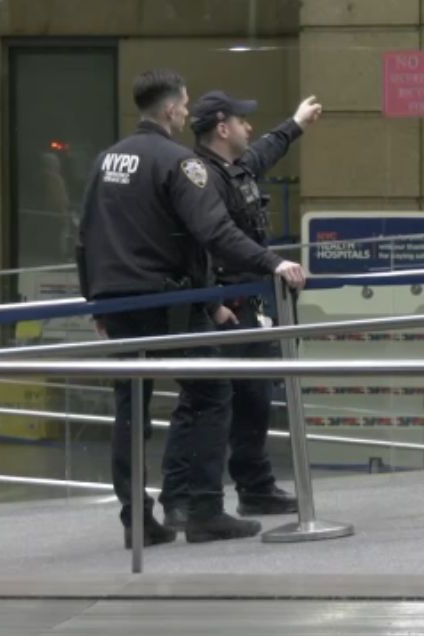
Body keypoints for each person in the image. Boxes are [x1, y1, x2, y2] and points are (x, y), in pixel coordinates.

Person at [76, 69, 307, 547]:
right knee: (210, 390)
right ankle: (201, 509)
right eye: (183, 104)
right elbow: (215, 233)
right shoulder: (179, 163)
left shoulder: (106, 159)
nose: (185, 111)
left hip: (115, 300)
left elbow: (86, 235)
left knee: (130, 407)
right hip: (166, 301)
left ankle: (138, 520)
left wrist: (95, 301)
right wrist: (272, 262)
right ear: (169, 109)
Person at [153, 91, 322, 528]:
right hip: (221, 302)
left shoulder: (235, 168)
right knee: (204, 402)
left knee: (254, 398)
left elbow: (266, 149)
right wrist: (218, 300)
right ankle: (180, 497)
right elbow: (213, 239)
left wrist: (296, 123)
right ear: (222, 127)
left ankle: (255, 486)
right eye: (242, 120)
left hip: (248, 300)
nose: (250, 127)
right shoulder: (198, 178)